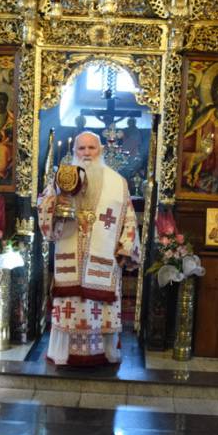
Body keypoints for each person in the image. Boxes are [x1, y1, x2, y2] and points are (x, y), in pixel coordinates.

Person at [37, 131, 141, 366]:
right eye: (81, 148)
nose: (86, 153)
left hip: (103, 258)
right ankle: (64, 353)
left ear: (100, 150)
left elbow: (129, 217)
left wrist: (126, 247)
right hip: (71, 255)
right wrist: (57, 202)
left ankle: (103, 352)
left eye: (91, 148)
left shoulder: (117, 182)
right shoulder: (62, 179)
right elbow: (43, 207)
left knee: (100, 308)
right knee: (70, 304)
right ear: (74, 151)